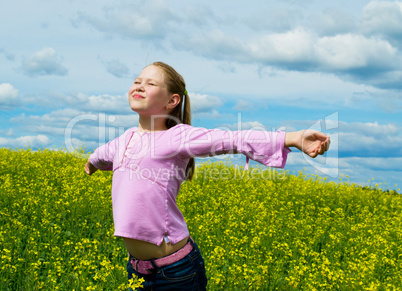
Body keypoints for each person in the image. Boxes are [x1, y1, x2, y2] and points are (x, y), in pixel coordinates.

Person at [84, 61, 330, 290]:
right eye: (137, 80)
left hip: (175, 272)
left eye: (150, 83)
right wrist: (91, 164)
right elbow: (101, 154)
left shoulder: (176, 137)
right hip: (136, 271)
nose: (139, 85)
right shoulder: (123, 140)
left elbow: (232, 139)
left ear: (172, 101)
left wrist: (294, 138)